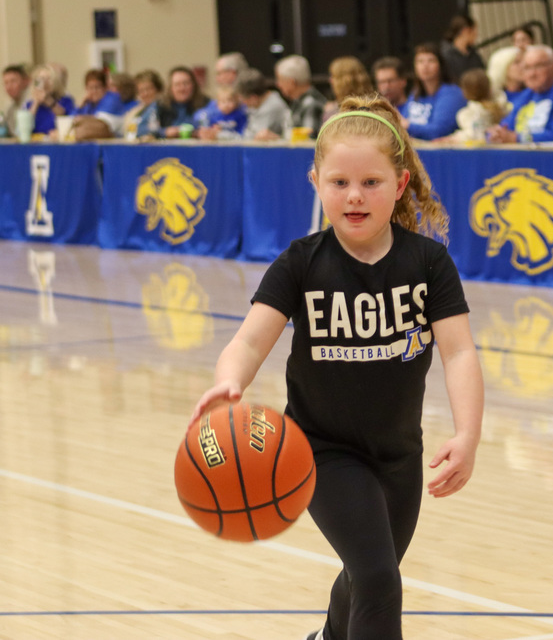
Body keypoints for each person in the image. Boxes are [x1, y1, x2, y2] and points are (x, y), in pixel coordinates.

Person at [189, 94, 483, 640]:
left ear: (399, 185)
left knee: (368, 572)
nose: (354, 195)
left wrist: (468, 434)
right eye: (339, 182)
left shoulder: (428, 263)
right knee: (378, 577)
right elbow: (250, 341)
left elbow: (460, 352)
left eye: (371, 182)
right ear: (316, 182)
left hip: (399, 453)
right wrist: (229, 382)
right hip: (319, 450)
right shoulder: (303, 262)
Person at [488, 44, 553, 143]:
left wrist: (516, 138)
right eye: (527, 68)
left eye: (538, 66)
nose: (532, 74)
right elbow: (506, 127)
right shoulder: (526, 95)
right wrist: (496, 134)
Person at [400, 42, 467, 140]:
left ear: (440, 65)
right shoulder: (416, 93)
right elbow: (403, 122)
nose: (425, 66)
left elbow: (439, 131)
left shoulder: (452, 93)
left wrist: (407, 126)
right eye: (420, 61)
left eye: (431, 61)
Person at [256, 54, 327, 140]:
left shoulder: (311, 103)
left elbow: (307, 140)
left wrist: (275, 138)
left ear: (291, 82)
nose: (278, 85)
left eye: (280, 79)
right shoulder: (297, 102)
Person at [443, 68, 505, 143]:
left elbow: (473, 135)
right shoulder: (501, 107)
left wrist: (452, 139)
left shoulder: (469, 114)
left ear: (464, 91)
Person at [154, 66, 210, 138]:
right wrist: (164, 132)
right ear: (171, 88)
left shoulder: (207, 104)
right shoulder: (160, 105)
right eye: (177, 84)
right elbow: (144, 129)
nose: (182, 88)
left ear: (194, 85)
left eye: (186, 83)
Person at [236, 68, 289, 139]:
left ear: (253, 98)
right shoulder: (258, 104)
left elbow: (252, 137)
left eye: (243, 99)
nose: (243, 103)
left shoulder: (272, 106)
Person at [24, 63, 75, 137]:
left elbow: (64, 117)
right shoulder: (29, 104)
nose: (45, 83)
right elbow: (26, 127)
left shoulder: (66, 100)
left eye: (48, 79)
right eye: (41, 79)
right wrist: (36, 102)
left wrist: (48, 100)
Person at [75, 68, 126, 135]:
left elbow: (100, 123)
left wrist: (82, 119)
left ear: (105, 87)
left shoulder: (113, 98)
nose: (94, 91)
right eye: (90, 88)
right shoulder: (88, 103)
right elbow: (71, 120)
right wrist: (80, 105)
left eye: (97, 87)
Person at [323, 56, 374, 122]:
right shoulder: (378, 106)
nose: (330, 80)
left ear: (342, 82)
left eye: (333, 76)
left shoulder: (333, 114)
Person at [441, 14, 485, 83]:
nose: (476, 35)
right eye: (474, 31)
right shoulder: (446, 55)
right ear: (466, 31)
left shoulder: (474, 54)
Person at [126, 69, 165, 139]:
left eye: (149, 89)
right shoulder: (136, 112)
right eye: (141, 90)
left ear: (158, 89)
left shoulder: (163, 107)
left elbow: (153, 130)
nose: (145, 94)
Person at [0, 64, 30, 138]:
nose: (9, 87)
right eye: (6, 83)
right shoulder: (9, 109)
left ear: (25, 81)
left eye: (13, 81)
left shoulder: (32, 102)